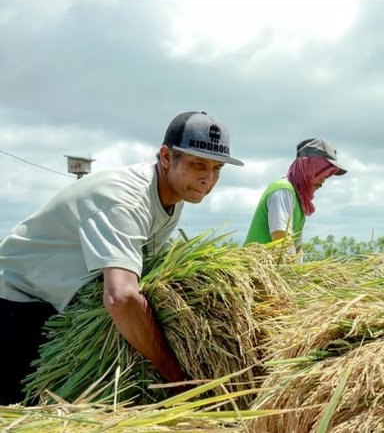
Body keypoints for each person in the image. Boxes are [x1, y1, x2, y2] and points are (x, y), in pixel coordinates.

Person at [0, 111, 244, 405]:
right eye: (197, 165)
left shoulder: (172, 195)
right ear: (166, 157)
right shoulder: (126, 200)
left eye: (217, 168)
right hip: (14, 299)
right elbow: (122, 297)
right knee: (16, 412)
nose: (208, 179)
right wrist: (175, 376)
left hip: (51, 304)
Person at [244, 138, 346, 256]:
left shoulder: (299, 200)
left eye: (327, 175)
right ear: (306, 167)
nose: (323, 180)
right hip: (256, 268)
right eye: (321, 172)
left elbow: (296, 250)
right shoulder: (283, 191)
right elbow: (281, 242)